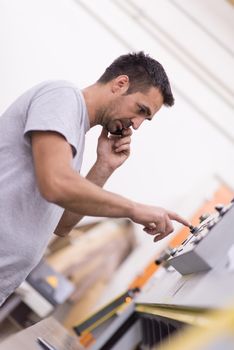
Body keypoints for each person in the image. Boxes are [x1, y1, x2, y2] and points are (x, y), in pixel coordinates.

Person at [0, 51, 190, 306]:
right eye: (140, 110)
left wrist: (104, 166)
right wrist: (134, 209)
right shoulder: (63, 97)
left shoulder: (73, 140)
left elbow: (62, 225)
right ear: (120, 84)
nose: (136, 124)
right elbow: (56, 185)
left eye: (146, 119)